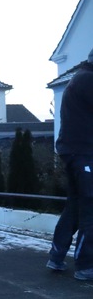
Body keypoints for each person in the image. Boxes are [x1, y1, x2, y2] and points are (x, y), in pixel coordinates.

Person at [48, 47, 93, 281]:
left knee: (75, 207)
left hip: (74, 151)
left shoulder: (80, 78)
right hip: (84, 152)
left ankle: (56, 257)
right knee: (90, 208)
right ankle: (85, 265)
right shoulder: (88, 80)